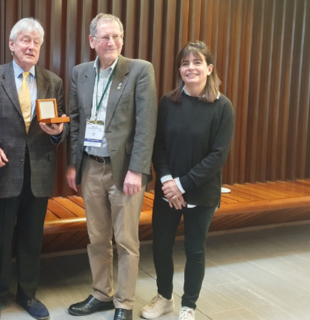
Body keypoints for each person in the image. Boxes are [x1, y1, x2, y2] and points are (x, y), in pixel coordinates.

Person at [66, 13, 157, 320]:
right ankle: (102, 293)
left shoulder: (140, 70)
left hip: (124, 170)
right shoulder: (80, 73)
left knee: (126, 240)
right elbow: (76, 121)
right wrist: (71, 165)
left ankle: (124, 304)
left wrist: (137, 169)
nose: (112, 42)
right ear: (92, 41)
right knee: (97, 236)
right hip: (90, 167)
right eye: (105, 37)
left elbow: (146, 125)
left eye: (117, 36)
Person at [0, 18, 68, 320]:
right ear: (12, 44)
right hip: (2, 172)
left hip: (39, 173)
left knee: (31, 238)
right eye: (25, 40)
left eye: (36, 42)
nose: (31, 46)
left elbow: (61, 124)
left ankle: (28, 294)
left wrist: (57, 133)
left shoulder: (52, 82)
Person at [140, 41, 235, 320]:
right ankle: (165, 297)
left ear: (209, 68)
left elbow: (218, 155)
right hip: (167, 189)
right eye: (185, 63)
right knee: (161, 245)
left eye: (196, 62)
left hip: (201, 191)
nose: (190, 68)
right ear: (179, 69)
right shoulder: (168, 102)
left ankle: (189, 305)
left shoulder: (222, 106)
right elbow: (158, 146)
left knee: (195, 249)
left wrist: (181, 185)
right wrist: (169, 182)